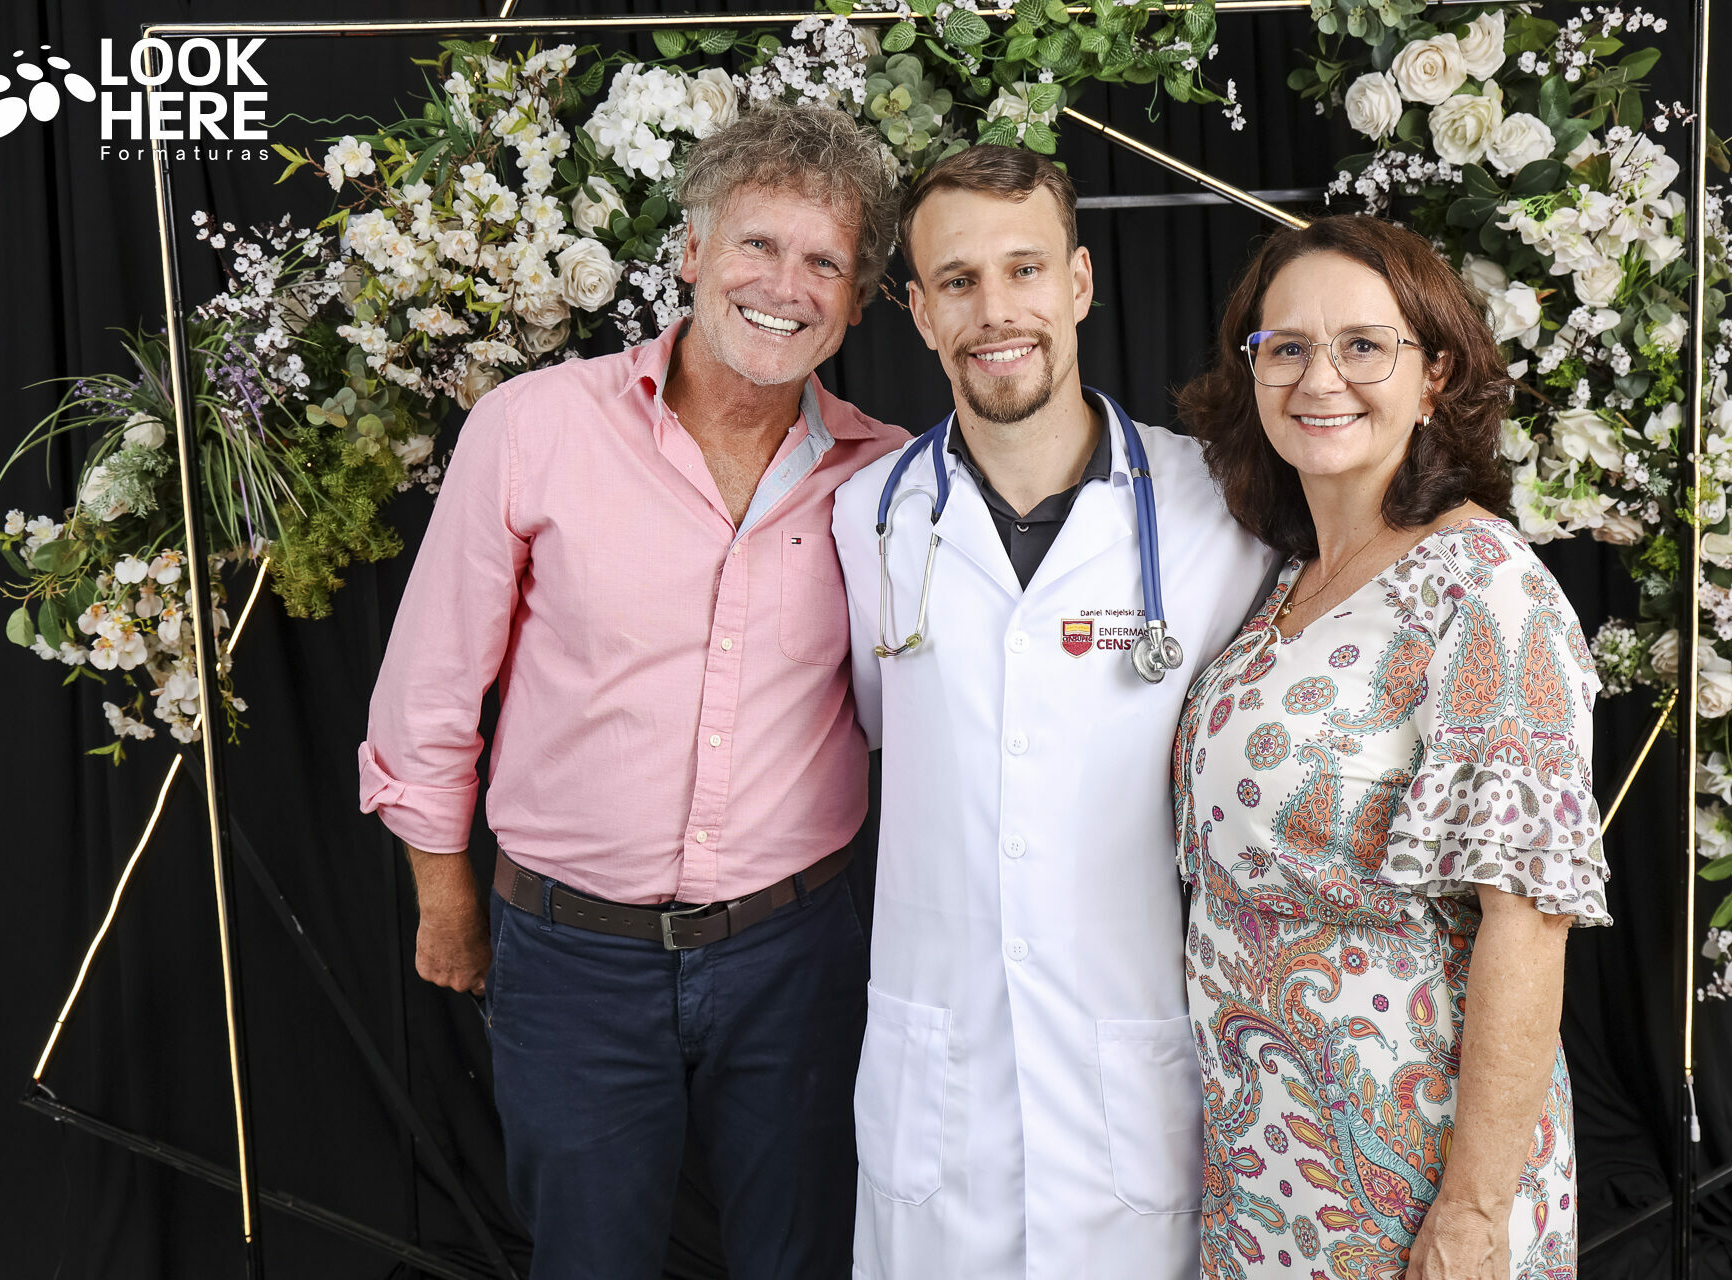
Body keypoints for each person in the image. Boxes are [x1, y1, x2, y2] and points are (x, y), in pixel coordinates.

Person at [357, 105, 909, 1279]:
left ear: (857, 301)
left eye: (824, 262)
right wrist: (445, 900)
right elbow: (431, 689)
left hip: (796, 952)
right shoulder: (532, 428)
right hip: (572, 957)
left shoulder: (891, 479)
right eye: (758, 244)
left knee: (803, 1259)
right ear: (693, 252)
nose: (787, 286)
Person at [832, 145, 1276, 1280]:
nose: (996, 311)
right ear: (919, 312)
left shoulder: (1216, 505)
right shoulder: (868, 517)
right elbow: (885, 729)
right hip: (941, 1079)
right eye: (959, 280)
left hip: (1129, 1069)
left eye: (1024, 269)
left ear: (1078, 282)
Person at [1171, 214, 1612, 1280]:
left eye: (1364, 345)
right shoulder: (1290, 577)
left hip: (1414, 1167)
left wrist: (1472, 1212)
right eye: (1287, 347)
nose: (1320, 378)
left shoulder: (1486, 590)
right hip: (1266, 1155)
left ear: (1435, 376)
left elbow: (1528, 920)